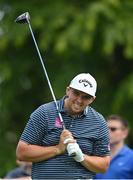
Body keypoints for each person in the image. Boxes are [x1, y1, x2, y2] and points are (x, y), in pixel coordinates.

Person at [16, 73, 110, 179]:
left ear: (92, 99)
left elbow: (104, 165)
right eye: (76, 93)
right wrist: (58, 149)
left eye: (86, 97)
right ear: (68, 90)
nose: (79, 100)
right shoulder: (44, 112)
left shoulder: (99, 122)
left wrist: (81, 157)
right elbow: (22, 153)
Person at [95, 114, 133, 179]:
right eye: (105, 128)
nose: (107, 132)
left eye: (113, 129)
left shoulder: (131, 157)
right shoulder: (95, 155)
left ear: (125, 133)